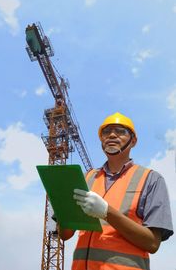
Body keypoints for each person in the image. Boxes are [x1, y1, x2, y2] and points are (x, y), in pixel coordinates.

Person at [59, 112, 174, 270]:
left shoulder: (151, 179)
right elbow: (65, 234)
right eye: (106, 132)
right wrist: (61, 204)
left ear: (133, 141)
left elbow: (153, 243)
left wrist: (107, 212)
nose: (112, 135)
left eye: (120, 131)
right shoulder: (88, 178)